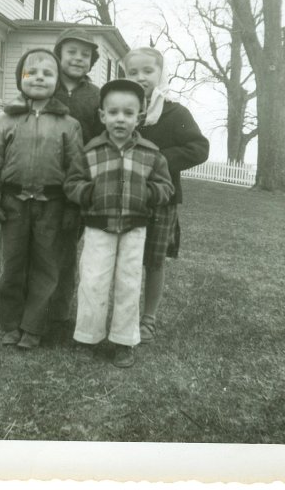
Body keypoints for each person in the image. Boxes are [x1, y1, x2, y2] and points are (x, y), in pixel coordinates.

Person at [64, 79, 174, 368]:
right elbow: (72, 183)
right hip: (98, 226)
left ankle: (124, 341)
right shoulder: (90, 150)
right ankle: (87, 337)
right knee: (93, 280)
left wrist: (148, 193)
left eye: (128, 113)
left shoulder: (151, 152)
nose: (120, 119)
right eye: (113, 112)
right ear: (102, 116)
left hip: (134, 227)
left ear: (139, 117)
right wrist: (87, 193)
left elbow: (166, 187)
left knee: (128, 283)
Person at [0, 48, 82, 350]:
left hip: (52, 207)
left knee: (46, 268)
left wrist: (73, 205)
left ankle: (33, 327)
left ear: (57, 81)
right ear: (20, 79)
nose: (39, 77)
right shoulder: (3, 120)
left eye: (48, 73)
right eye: (31, 72)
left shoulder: (68, 124)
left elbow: (76, 169)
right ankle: (10, 323)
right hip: (13, 205)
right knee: (13, 265)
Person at [123, 47, 210, 344]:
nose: (141, 77)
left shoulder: (174, 111)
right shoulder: (122, 109)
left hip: (163, 199)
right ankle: (125, 314)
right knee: (127, 258)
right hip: (126, 198)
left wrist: (159, 159)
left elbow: (199, 148)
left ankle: (148, 318)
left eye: (148, 71)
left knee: (154, 260)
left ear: (162, 74)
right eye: (132, 72)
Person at [48, 27, 103, 326]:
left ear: (92, 62)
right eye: (71, 52)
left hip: (78, 183)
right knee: (40, 246)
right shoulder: (44, 84)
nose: (78, 59)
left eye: (85, 55)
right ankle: (31, 309)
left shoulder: (96, 96)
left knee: (66, 249)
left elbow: (100, 139)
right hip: (42, 178)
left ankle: (57, 315)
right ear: (58, 55)